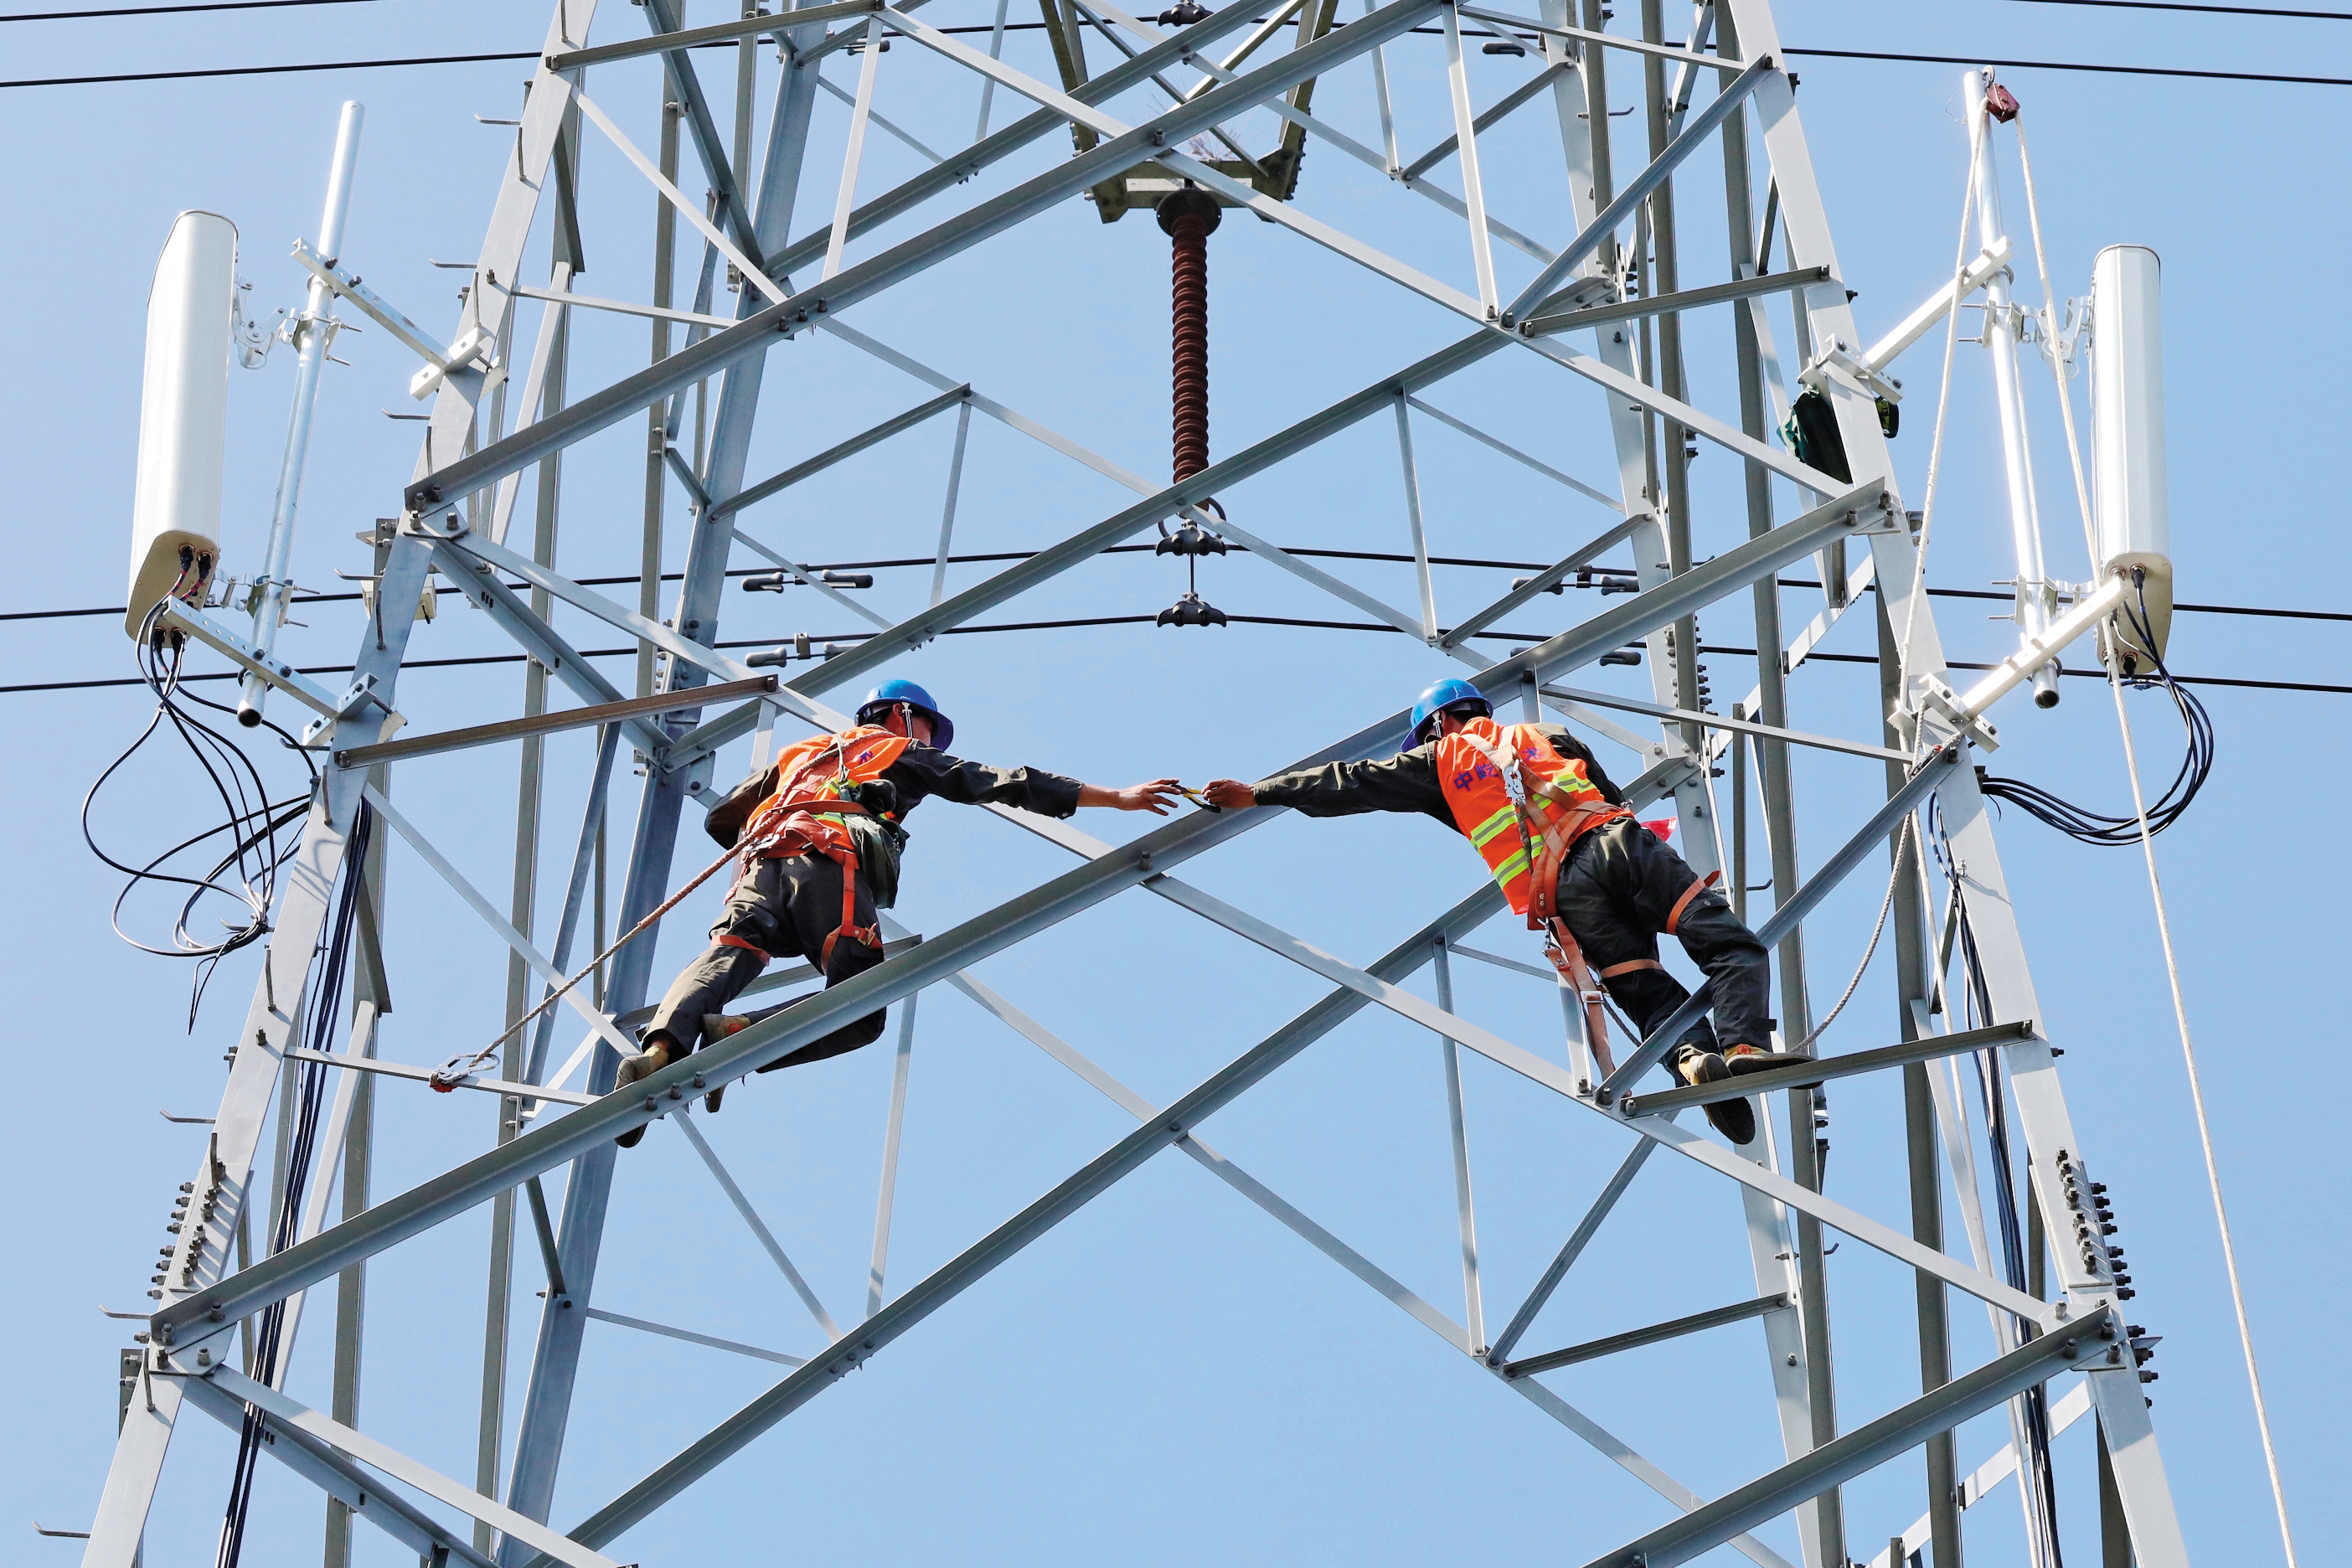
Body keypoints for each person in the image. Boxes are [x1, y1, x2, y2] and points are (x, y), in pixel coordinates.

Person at [1200, 678, 1803, 1144]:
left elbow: (1352, 781)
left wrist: (1260, 792)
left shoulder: (1435, 764)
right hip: (1615, 846)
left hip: (1566, 899)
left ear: (1438, 722)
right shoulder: (1547, 735)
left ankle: (1695, 1060)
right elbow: (1609, 798)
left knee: (1646, 995)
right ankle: (1743, 1047)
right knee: (1726, 946)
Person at [614, 679, 1181, 1147]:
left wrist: (780, 819)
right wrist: (1115, 797)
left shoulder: (797, 755)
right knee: (861, 1007)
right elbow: (1000, 783)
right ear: (905, 715)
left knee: (729, 953)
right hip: (825, 861)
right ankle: (734, 1036)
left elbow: (723, 822)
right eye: (930, 726)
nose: (932, 737)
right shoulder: (894, 749)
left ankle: (662, 1047)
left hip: (758, 869)